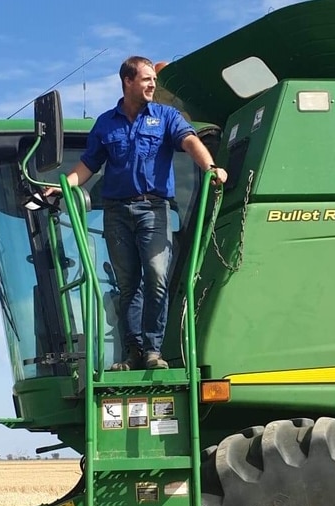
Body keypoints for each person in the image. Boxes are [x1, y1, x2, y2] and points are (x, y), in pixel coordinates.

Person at [45, 56, 227, 370]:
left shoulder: (166, 116)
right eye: (146, 80)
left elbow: (189, 141)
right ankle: (134, 352)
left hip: (153, 209)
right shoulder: (106, 123)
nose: (152, 85)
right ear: (128, 81)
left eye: (153, 81)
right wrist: (65, 185)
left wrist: (210, 168)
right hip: (117, 212)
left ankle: (153, 350)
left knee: (156, 275)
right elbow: (89, 164)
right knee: (128, 283)